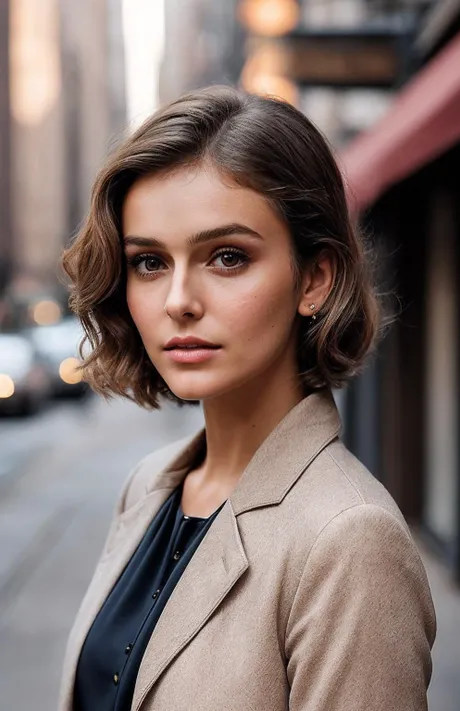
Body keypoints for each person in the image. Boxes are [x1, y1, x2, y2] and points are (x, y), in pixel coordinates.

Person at [58, 85, 436, 711]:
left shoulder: (349, 541)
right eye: (149, 262)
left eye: (227, 257)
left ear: (314, 278)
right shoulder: (148, 485)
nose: (178, 299)